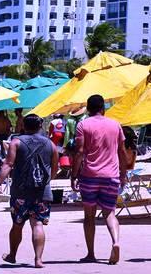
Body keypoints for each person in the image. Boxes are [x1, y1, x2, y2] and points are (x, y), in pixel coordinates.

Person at [72, 95, 127, 265]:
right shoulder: (115, 125)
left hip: (89, 176)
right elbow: (122, 152)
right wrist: (123, 174)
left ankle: (90, 253)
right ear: (103, 108)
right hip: (111, 175)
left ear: (88, 109)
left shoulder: (83, 124)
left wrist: (74, 174)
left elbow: (80, 152)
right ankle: (115, 241)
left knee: (89, 216)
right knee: (109, 212)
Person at [0, 114, 58, 268]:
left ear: (23, 126)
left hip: (20, 192)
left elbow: (9, 164)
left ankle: (12, 255)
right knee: (38, 224)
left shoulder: (16, 142)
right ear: (40, 126)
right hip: (42, 192)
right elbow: (55, 169)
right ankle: (38, 260)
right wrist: (46, 182)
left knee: (17, 224)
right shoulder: (50, 144)